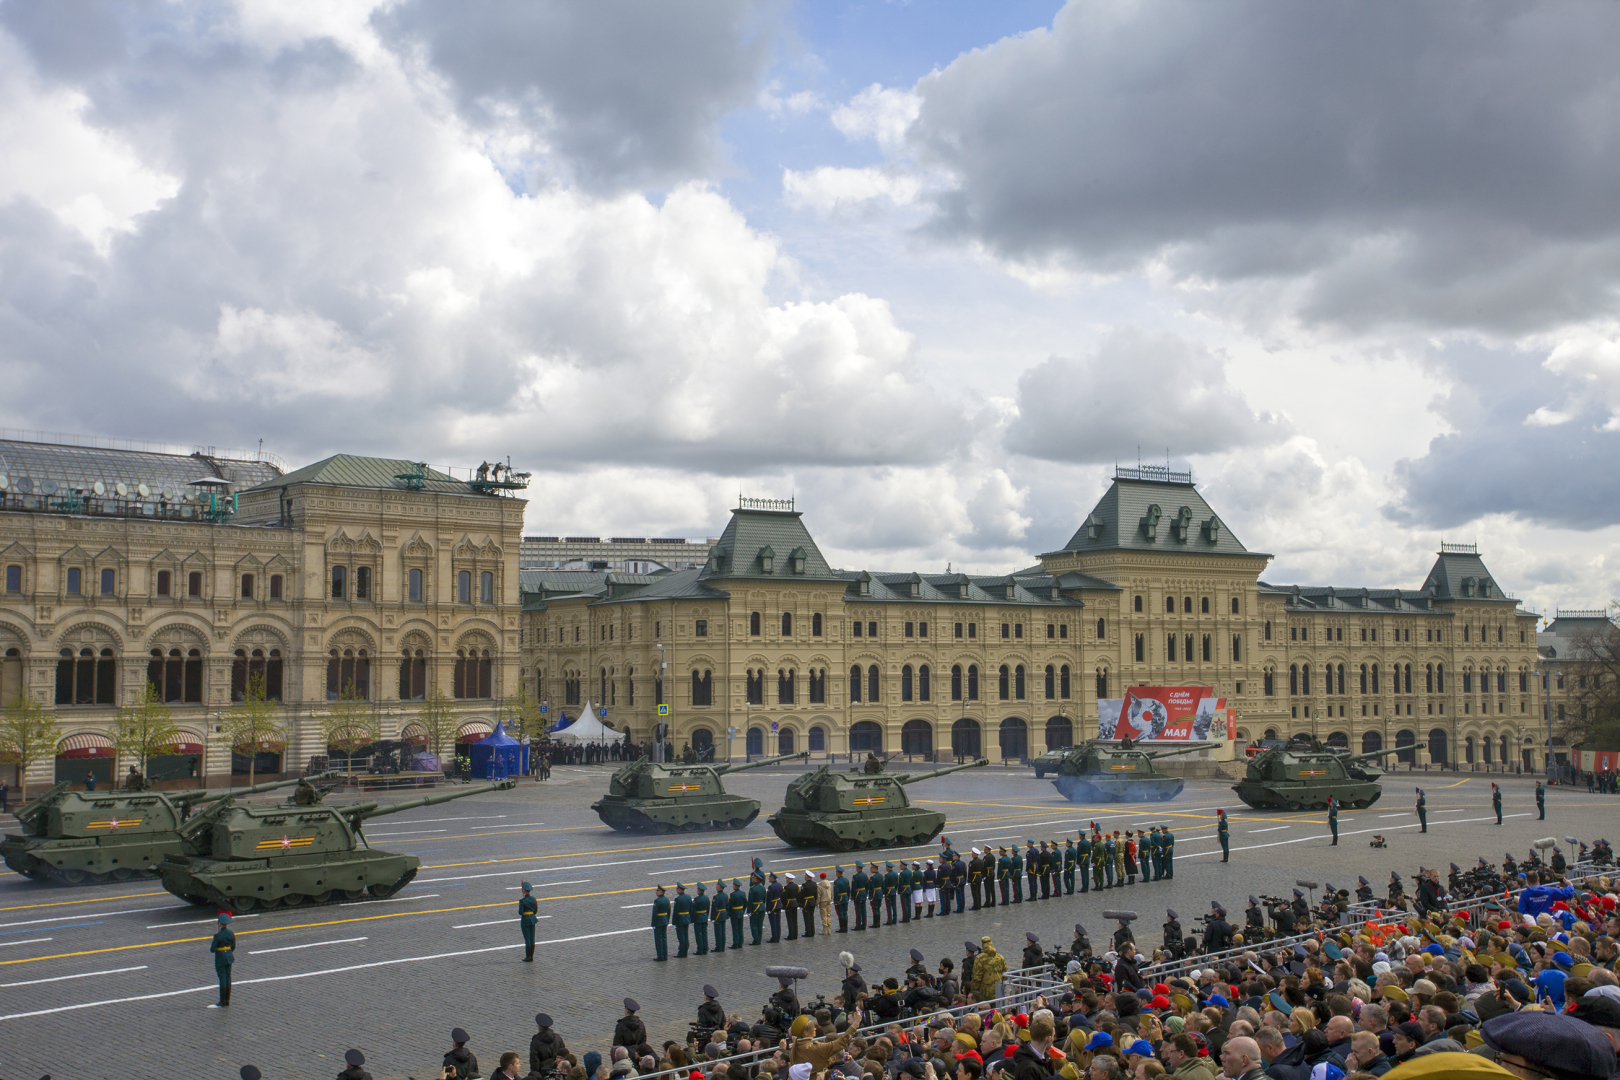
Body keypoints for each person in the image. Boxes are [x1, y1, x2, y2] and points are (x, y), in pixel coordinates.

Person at [208, 912, 235, 1008]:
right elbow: (233, 947)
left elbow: (212, 950)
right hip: (229, 957)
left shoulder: (217, 936)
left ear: (219, 923)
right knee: (228, 978)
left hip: (220, 959)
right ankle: (227, 1000)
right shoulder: (231, 933)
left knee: (222, 978)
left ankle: (222, 1001)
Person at [519, 881, 539, 962]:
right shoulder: (533, 899)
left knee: (527, 938)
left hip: (525, 920)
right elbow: (535, 910)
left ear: (524, 890)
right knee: (532, 938)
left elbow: (520, 912)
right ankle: (531, 956)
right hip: (532, 919)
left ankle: (528, 957)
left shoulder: (522, 901)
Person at [651, 884, 670, 961]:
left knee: (659, 939)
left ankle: (660, 956)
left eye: (658, 891)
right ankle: (665, 955)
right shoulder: (667, 900)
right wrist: (667, 920)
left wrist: (653, 923)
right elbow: (669, 911)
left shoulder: (657, 901)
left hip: (658, 921)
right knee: (664, 938)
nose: (656, 892)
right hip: (664, 920)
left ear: (661, 892)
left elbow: (655, 913)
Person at [673, 882, 693, 958]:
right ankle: (685, 951)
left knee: (681, 937)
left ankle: (681, 952)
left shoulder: (678, 899)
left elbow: (676, 911)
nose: (676, 890)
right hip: (687, 918)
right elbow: (691, 909)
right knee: (685, 935)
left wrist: (674, 921)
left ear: (680, 890)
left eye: (677, 889)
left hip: (680, 919)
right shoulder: (688, 897)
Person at [710, 878, 729, 953]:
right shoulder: (726, 895)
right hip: (724, 914)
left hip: (718, 915)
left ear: (719, 887)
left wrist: (713, 918)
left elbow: (714, 908)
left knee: (718, 932)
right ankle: (722, 946)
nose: (716, 887)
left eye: (717, 885)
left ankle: (718, 947)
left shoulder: (716, 896)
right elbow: (728, 906)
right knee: (723, 931)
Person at [728, 878, 746, 948]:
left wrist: (729, 913)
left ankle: (735, 943)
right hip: (740, 912)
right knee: (740, 928)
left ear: (735, 885)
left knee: (735, 928)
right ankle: (740, 942)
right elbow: (745, 903)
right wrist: (742, 910)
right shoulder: (743, 893)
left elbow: (730, 905)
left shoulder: (733, 894)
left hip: (734, 913)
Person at [832, 865, 850, 932]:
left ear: (837, 873)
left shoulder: (837, 882)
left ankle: (842, 928)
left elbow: (836, 892)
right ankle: (846, 927)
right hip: (845, 897)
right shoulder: (846, 880)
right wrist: (848, 897)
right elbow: (848, 890)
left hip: (840, 898)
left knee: (841, 913)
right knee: (845, 912)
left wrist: (835, 900)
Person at [817, 870, 834, 935]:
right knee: (828, 914)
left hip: (823, 901)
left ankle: (825, 930)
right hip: (828, 900)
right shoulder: (829, 884)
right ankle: (829, 929)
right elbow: (831, 892)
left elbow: (819, 895)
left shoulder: (819, 885)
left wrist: (817, 903)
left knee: (823, 915)